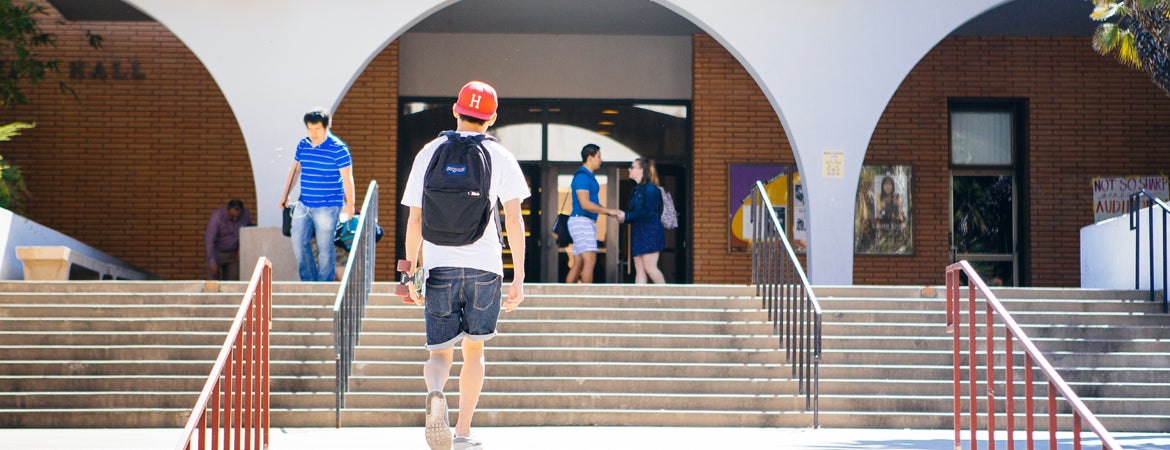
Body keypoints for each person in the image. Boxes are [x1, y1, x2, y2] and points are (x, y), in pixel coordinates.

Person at [401, 80, 529, 450]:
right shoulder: (500, 156)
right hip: (485, 266)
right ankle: (462, 432)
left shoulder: (429, 152)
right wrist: (519, 276)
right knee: (474, 350)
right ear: (491, 119)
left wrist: (409, 272)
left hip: (438, 265)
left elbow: (414, 220)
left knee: (439, 352)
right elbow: (514, 221)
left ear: (455, 111)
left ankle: (436, 392)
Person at [278, 107, 356, 282]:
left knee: (324, 245)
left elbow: (347, 177)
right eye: (310, 129)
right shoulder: (304, 144)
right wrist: (285, 196)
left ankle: (323, 283)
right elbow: (295, 170)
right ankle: (308, 281)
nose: (313, 133)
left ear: (327, 127)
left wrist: (350, 204)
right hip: (304, 203)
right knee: (298, 240)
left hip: (328, 205)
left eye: (317, 129)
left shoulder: (338, 149)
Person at [612, 158, 666, 284]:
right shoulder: (636, 190)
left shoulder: (651, 189)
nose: (629, 169)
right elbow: (637, 213)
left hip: (650, 231)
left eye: (632, 167)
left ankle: (666, 297)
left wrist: (627, 216)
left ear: (641, 170)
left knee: (650, 267)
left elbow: (648, 211)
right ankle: (638, 300)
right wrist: (625, 218)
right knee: (639, 269)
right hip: (639, 231)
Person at [566, 143, 612, 283]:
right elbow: (585, 204)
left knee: (579, 262)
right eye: (599, 156)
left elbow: (592, 203)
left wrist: (609, 212)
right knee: (590, 259)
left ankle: (568, 296)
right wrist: (609, 211)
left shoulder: (588, 177)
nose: (601, 160)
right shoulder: (582, 177)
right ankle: (587, 298)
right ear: (590, 158)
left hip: (583, 221)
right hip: (582, 221)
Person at [204, 199, 251, 280]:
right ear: (228, 210)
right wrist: (212, 262)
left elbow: (247, 233)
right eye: (233, 216)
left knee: (232, 283)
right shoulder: (217, 216)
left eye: (238, 217)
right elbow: (210, 240)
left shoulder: (246, 215)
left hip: (233, 254)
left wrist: (240, 250)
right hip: (217, 253)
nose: (235, 219)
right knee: (213, 282)